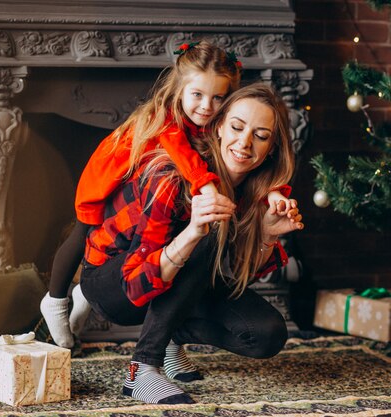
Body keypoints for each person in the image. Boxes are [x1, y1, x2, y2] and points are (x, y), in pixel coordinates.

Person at [40, 41, 292, 349]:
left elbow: (253, 166)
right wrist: (208, 188)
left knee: (195, 243)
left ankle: (167, 339)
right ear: (180, 89)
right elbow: (187, 162)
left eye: (218, 98)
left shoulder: (213, 129)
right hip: (103, 181)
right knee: (83, 233)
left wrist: (273, 195)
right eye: (197, 95)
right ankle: (56, 300)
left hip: (154, 229)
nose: (206, 106)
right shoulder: (167, 123)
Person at [79, 83, 304, 405]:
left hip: (175, 285)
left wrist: (268, 235)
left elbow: (234, 279)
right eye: (238, 127)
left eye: (261, 135)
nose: (245, 142)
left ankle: (170, 336)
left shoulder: (258, 191)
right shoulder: (169, 176)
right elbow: (134, 283)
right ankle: (142, 369)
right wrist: (193, 232)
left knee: (265, 334)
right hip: (113, 283)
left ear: (273, 147)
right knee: (208, 231)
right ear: (219, 128)